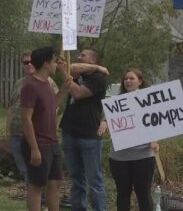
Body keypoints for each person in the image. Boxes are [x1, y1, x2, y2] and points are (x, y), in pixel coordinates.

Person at [97, 68, 159, 211]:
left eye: (132, 78)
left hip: (143, 156)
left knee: (143, 195)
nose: (128, 81)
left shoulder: (150, 100)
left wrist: (155, 140)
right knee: (123, 194)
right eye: (126, 79)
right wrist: (104, 122)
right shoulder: (115, 102)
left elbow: (158, 122)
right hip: (119, 157)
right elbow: (107, 118)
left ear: (140, 81)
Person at [59, 48, 108, 211]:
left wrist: (97, 70)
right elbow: (69, 66)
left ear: (93, 60)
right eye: (79, 55)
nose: (79, 57)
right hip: (69, 132)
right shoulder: (82, 72)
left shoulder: (98, 78)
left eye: (83, 55)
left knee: (94, 180)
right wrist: (97, 67)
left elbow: (78, 93)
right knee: (76, 179)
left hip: (89, 136)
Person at [20, 46, 68, 211]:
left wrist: (63, 91)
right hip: (38, 142)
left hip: (52, 141)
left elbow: (50, 106)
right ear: (46, 63)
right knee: (37, 185)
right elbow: (26, 118)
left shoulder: (46, 84)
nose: (56, 65)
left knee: (55, 183)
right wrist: (34, 148)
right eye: (54, 61)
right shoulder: (30, 86)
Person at [6, 50, 58, 184]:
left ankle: (40, 200)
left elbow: (54, 107)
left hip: (36, 135)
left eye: (31, 61)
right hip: (17, 132)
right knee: (25, 170)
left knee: (40, 175)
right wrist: (8, 129)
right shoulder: (19, 83)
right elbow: (11, 107)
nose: (29, 64)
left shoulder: (49, 83)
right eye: (25, 62)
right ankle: (34, 198)